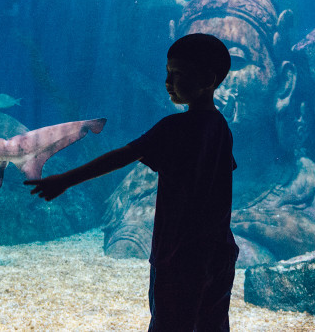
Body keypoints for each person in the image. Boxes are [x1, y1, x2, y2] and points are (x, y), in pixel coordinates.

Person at [25, 33, 239, 331]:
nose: (167, 81)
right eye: (167, 72)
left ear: (208, 79)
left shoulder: (174, 127)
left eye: (177, 74)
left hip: (178, 254)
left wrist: (66, 179)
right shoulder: (221, 128)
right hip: (218, 253)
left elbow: (123, 156)